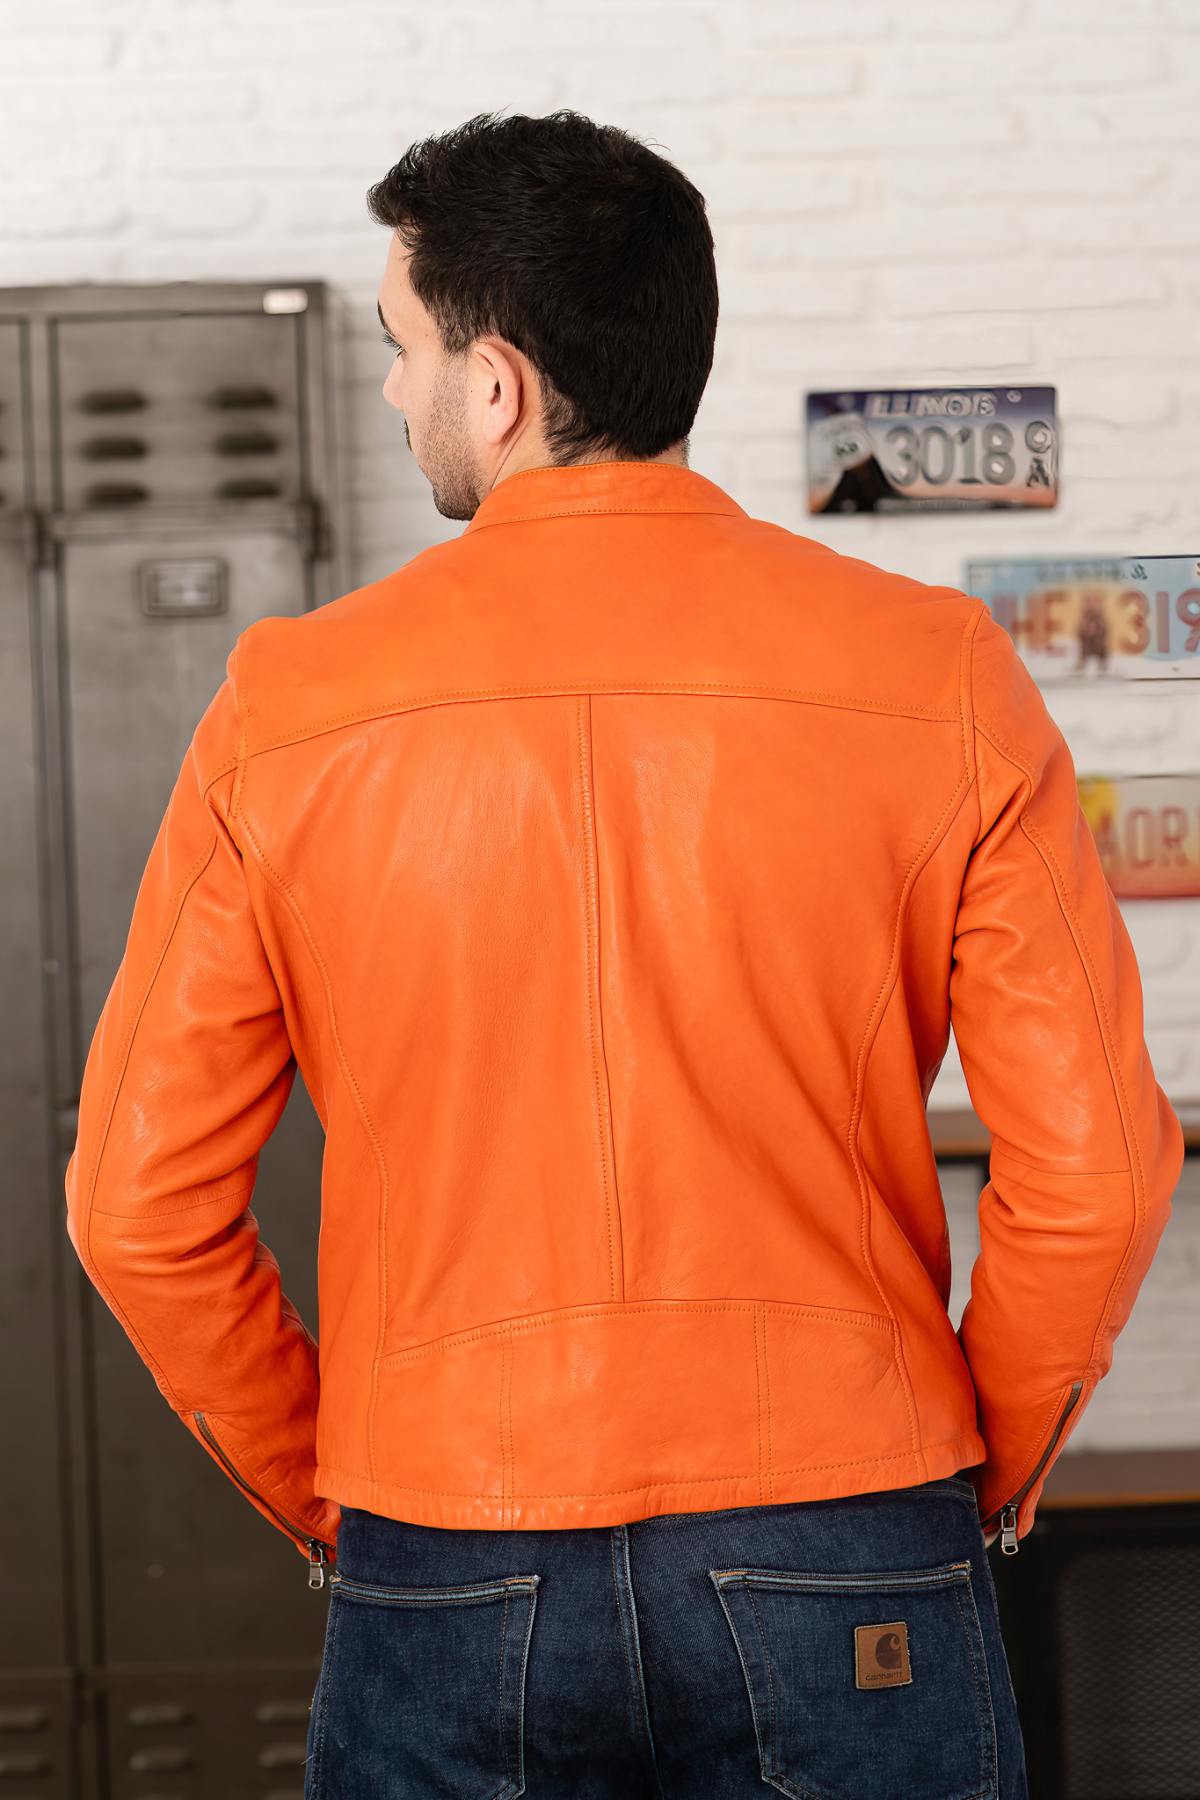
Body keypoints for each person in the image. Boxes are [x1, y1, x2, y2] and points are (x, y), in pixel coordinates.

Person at [64, 109, 1184, 1799]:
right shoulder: (939, 671)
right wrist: (966, 1470)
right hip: (851, 1517)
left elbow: (134, 1208)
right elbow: (1097, 1173)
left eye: (403, 348)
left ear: (497, 384)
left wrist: (341, 1491)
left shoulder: (289, 709)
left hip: (445, 1533)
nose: (394, 390)